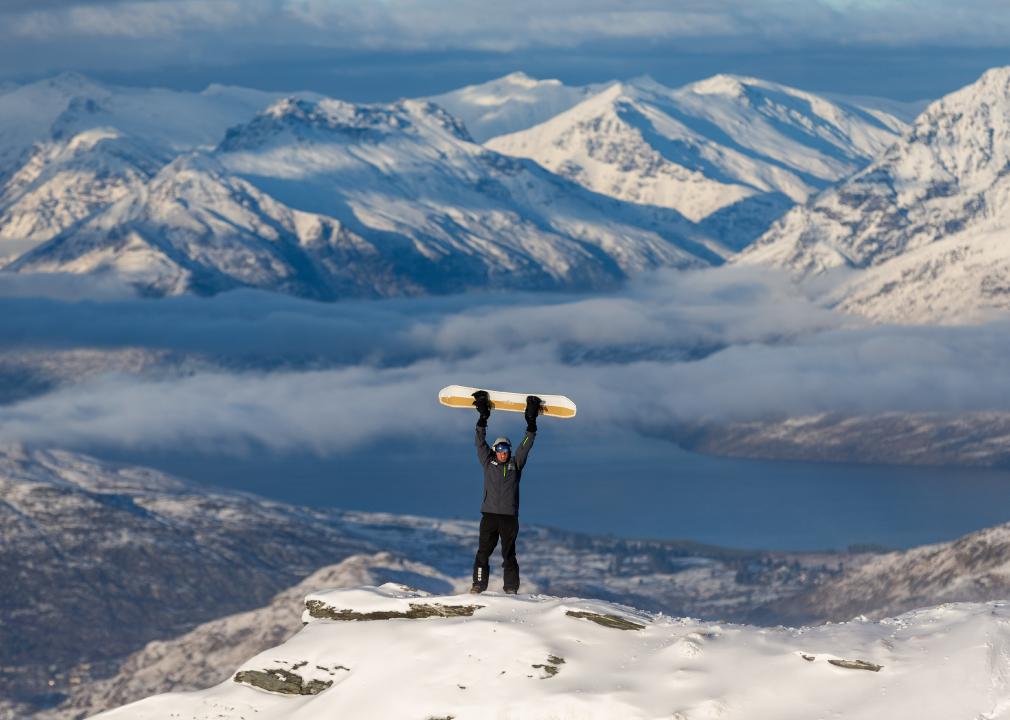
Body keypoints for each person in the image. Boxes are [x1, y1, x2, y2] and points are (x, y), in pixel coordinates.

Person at [469, 390, 541, 594]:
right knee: (483, 553)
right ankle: (478, 585)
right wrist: (483, 417)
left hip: (509, 518)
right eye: (500, 449)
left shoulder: (515, 464)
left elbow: (525, 447)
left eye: (506, 449)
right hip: (489, 516)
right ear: (494, 450)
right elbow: (479, 442)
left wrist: (531, 423)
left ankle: (510, 589)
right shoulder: (487, 462)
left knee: (509, 554)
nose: (503, 453)